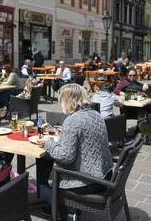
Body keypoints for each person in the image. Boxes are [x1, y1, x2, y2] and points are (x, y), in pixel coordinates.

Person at [40, 84, 113, 218]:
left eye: (61, 100)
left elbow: (65, 156)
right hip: (105, 174)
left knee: (42, 178)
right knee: (46, 165)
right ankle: (57, 207)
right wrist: (65, 134)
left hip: (89, 181)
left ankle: (62, 213)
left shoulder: (73, 120)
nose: (60, 104)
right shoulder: (96, 114)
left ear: (68, 101)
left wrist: (48, 143)